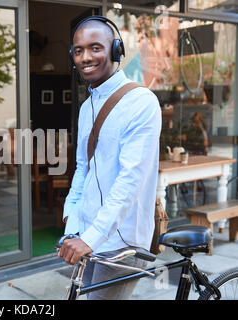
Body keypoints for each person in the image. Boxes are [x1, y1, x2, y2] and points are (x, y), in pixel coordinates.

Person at [57, 16, 161, 300]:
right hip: (90, 235)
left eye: (95, 48)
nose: (85, 57)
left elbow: (131, 180)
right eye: (78, 50)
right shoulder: (88, 104)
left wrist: (89, 238)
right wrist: (72, 223)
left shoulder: (141, 102)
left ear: (115, 51)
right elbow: (83, 168)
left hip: (122, 242)